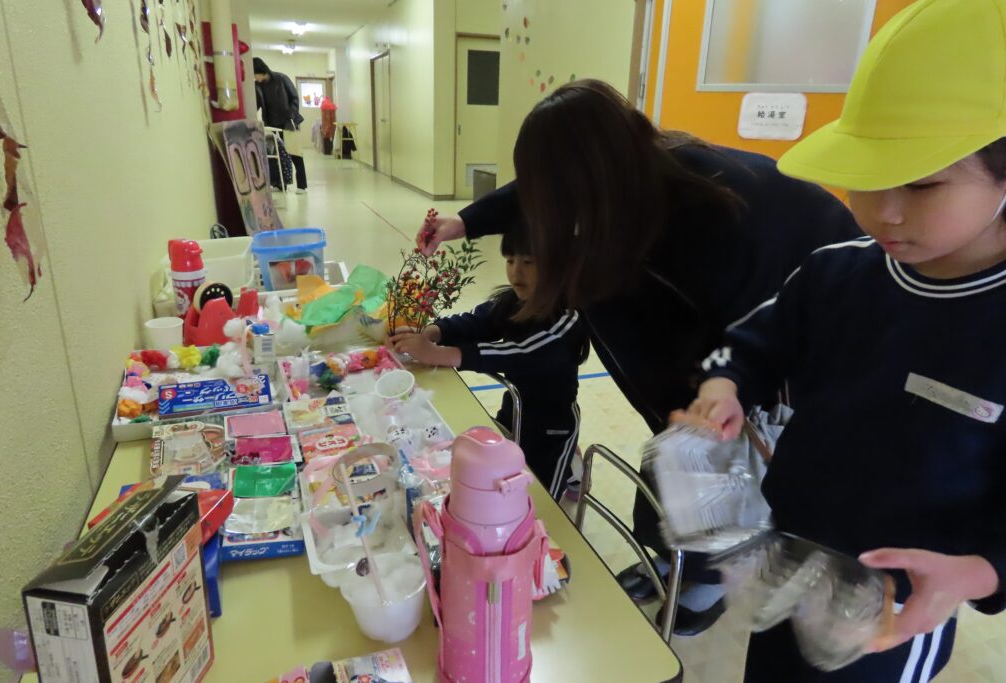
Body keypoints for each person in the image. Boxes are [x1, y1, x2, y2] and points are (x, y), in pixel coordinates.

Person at [415, 78, 861, 633]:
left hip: (786, 326)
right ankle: (671, 556)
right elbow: (536, 188)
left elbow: (755, 338)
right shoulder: (610, 183)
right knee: (669, 442)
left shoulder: (711, 214)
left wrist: (718, 395)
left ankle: (707, 577)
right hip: (693, 325)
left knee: (708, 451)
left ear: (596, 178)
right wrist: (465, 222)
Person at [689, 0, 1006, 679]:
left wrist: (981, 571)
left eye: (921, 185)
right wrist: (725, 383)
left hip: (894, 605)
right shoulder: (835, 273)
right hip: (791, 560)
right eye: (865, 180)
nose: (882, 211)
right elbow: (746, 344)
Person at [390, 227, 588, 501]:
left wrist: (440, 354)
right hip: (515, 409)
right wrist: (432, 333)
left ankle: (572, 467)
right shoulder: (514, 301)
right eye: (510, 260)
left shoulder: (567, 319)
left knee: (539, 497)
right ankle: (572, 459)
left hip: (552, 427)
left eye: (528, 262)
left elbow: (516, 353)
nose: (516, 271)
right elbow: (477, 322)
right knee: (505, 463)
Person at [253, 57, 307, 193]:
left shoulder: (281, 78)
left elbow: (294, 98)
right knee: (275, 154)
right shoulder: (257, 85)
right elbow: (257, 104)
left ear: (260, 70)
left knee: (295, 153)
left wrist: (291, 116)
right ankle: (279, 184)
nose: (255, 78)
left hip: (288, 122)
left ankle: (302, 185)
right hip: (271, 123)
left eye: (255, 74)